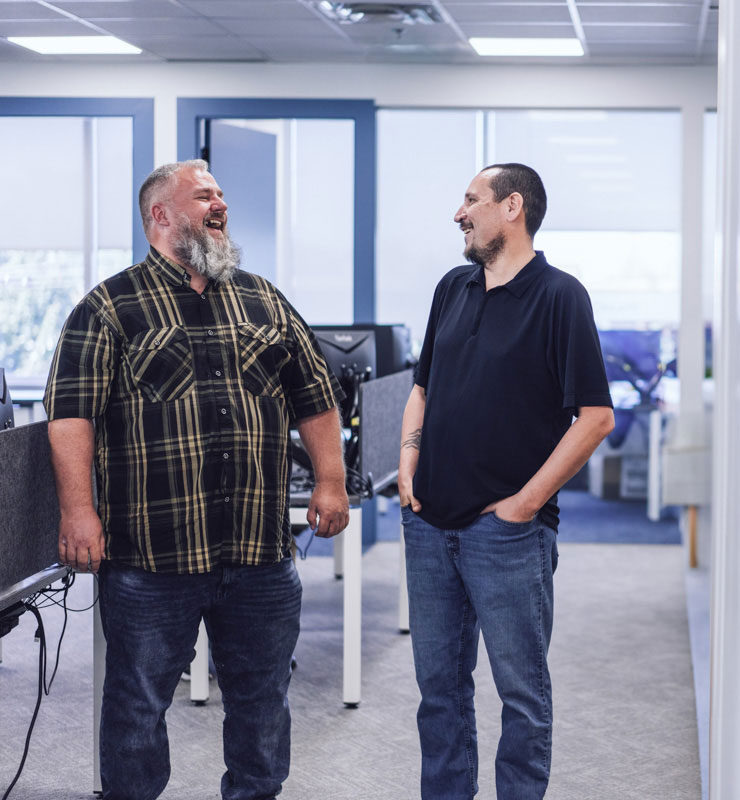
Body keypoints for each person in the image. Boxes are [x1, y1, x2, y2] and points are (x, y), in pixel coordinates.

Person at [43, 159, 349, 800]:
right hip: (154, 557)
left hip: (258, 551)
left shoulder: (262, 298)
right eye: (204, 195)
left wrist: (330, 480)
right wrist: (78, 511)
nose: (221, 205)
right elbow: (71, 418)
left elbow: (316, 396)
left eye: (221, 195)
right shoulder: (109, 308)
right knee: (138, 704)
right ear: (160, 215)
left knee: (263, 701)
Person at [398, 163, 614, 800]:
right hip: (429, 526)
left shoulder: (560, 296)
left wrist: (524, 504)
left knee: (522, 699)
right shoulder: (452, 287)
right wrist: (408, 461)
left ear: (511, 207)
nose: (459, 213)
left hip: (508, 537)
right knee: (439, 695)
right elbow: (422, 388)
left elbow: (596, 417)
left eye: (470, 200)